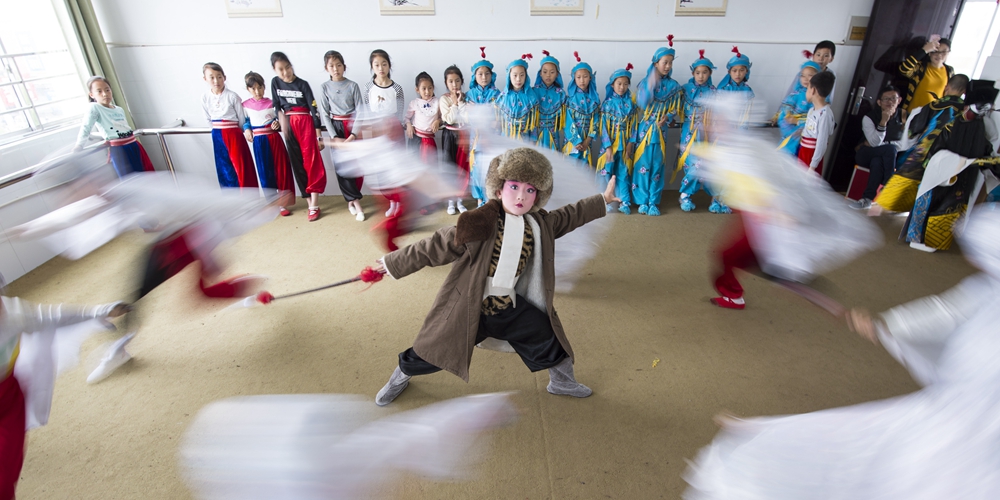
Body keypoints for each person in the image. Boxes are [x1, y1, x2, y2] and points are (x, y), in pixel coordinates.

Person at [684, 206, 1000, 499]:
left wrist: (886, 326)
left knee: (908, 463)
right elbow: (947, 312)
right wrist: (887, 325)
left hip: (971, 417)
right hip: (960, 409)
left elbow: (948, 314)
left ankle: (768, 442)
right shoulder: (986, 291)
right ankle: (769, 437)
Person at [371, 147, 618, 406]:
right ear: (499, 189)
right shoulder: (478, 223)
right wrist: (391, 264)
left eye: (530, 190)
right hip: (470, 307)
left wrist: (602, 200)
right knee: (432, 350)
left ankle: (562, 382)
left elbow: (570, 215)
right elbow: (433, 246)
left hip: (509, 307)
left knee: (550, 338)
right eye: (514, 187)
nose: (521, 196)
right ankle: (401, 376)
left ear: (538, 196)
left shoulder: (540, 224)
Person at [0, 287, 128, 500]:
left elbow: (54, 316)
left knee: (4, 477)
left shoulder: (14, 313)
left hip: (9, 404)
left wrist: (100, 311)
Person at [875, 75, 968, 249]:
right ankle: (926, 237)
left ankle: (912, 233)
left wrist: (907, 146)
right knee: (937, 194)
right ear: (964, 92)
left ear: (947, 87)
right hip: (950, 159)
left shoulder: (933, 106)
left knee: (914, 188)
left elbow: (913, 132)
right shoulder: (967, 112)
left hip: (924, 153)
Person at [270, 52, 326, 221]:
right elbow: (276, 106)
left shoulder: (302, 84)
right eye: (280, 69)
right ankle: (309, 201)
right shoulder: (275, 83)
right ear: (275, 70)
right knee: (297, 164)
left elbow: (314, 109)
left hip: (305, 124)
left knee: (312, 162)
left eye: (288, 67)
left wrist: (318, 135)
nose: (285, 72)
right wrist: (280, 120)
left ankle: (315, 204)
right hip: (289, 126)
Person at [634, 37, 685, 216]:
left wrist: (668, 116)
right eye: (665, 62)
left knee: (657, 166)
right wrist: (651, 84)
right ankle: (641, 201)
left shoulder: (674, 86)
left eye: (670, 63)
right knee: (642, 164)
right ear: (656, 63)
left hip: (661, 131)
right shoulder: (645, 83)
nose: (668, 66)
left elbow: (676, 108)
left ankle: (653, 201)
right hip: (645, 132)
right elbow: (641, 103)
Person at [677, 51, 728, 213]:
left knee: (709, 166)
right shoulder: (684, 90)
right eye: (698, 73)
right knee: (693, 165)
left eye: (705, 72)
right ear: (692, 73)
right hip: (689, 133)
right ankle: (685, 195)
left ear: (710, 73)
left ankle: (716, 197)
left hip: (708, 134)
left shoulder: (714, 92)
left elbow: (720, 113)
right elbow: (674, 107)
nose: (701, 76)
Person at [318, 50, 366, 221]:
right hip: (337, 128)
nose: (336, 69)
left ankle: (351, 200)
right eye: (331, 66)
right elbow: (324, 113)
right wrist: (334, 137)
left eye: (338, 65)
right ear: (326, 68)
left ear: (344, 67)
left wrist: (353, 134)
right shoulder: (324, 87)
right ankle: (357, 204)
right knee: (342, 167)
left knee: (356, 166)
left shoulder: (353, 86)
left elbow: (360, 111)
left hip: (352, 127)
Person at [73, 76, 154, 178]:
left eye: (107, 90)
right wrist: (79, 145)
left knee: (144, 176)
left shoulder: (119, 109)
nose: (105, 94)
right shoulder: (94, 107)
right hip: (119, 149)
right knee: (129, 180)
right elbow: (86, 127)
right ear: (92, 95)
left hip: (134, 144)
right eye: (99, 91)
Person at [242, 71, 295, 216]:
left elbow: (280, 119)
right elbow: (245, 122)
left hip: (274, 140)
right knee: (265, 172)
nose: (257, 91)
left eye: (260, 87)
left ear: (264, 87)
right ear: (248, 89)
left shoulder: (272, 103)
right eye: (253, 88)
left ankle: (283, 204)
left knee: (280, 170)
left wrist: (276, 123)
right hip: (259, 142)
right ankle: (272, 203)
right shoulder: (245, 106)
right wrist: (246, 129)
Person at [363, 49, 407, 218]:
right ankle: (390, 201)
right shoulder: (368, 88)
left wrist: (394, 128)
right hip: (377, 129)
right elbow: (368, 110)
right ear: (372, 67)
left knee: (396, 167)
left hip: (394, 128)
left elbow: (400, 112)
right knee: (382, 169)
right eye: (376, 65)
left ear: (389, 65)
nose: (380, 68)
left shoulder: (397, 88)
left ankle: (398, 201)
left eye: (384, 64)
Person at [202, 63, 257, 189]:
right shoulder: (205, 97)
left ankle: (248, 200)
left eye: (219, 76)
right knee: (224, 168)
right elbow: (208, 119)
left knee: (241, 167)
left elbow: (241, 120)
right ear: (205, 79)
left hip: (233, 133)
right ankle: (232, 200)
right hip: (217, 135)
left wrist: (233, 130)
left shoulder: (232, 96)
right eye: (212, 77)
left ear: (224, 77)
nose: (216, 81)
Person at [849, 86, 903, 210]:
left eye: (893, 99)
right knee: (890, 149)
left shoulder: (904, 117)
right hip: (865, 154)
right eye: (886, 99)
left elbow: (906, 144)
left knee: (878, 161)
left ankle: (867, 199)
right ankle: (888, 185)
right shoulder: (869, 117)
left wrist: (884, 144)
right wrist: (883, 122)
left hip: (883, 157)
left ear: (899, 100)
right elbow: (874, 143)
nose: (890, 102)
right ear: (879, 102)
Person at [596, 65, 638, 214]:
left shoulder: (631, 105)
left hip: (625, 145)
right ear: (612, 84)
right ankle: (603, 201)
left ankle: (624, 201)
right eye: (619, 84)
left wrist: (630, 145)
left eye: (625, 84)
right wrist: (607, 146)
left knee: (623, 172)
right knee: (606, 172)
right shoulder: (607, 105)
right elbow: (603, 128)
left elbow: (634, 126)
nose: (622, 87)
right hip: (610, 146)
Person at [467, 47, 502, 208]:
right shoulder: (470, 94)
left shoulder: (497, 94)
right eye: (480, 73)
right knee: (476, 167)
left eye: (487, 73)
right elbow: (469, 116)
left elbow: (500, 117)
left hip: (492, 138)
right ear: (474, 76)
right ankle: (479, 199)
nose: (484, 77)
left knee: (490, 166)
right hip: (475, 137)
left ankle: (490, 197)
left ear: (492, 75)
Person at [439, 65, 471, 215]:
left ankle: (460, 200)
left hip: (463, 135)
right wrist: (455, 104)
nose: (454, 85)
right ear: (446, 83)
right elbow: (450, 119)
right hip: (449, 136)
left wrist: (460, 102)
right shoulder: (444, 99)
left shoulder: (466, 97)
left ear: (462, 82)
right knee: (450, 167)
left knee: (462, 168)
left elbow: (466, 118)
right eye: (451, 81)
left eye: (457, 81)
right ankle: (450, 201)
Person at [561, 51, 601, 167]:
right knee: (570, 168)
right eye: (578, 77)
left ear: (590, 78)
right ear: (574, 79)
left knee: (585, 170)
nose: (582, 80)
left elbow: (596, 122)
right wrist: (576, 141)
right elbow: (568, 122)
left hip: (587, 141)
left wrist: (587, 140)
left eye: (585, 77)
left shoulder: (595, 100)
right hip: (571, 141)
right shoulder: (570, 99)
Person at [776, 60, 821, 156]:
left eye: (810, 75)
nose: (806, 79)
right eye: (802, 75)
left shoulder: (818, 98)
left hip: (806, 142)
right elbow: (784, 115)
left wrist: (797, 122)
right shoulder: (794, 95)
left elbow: (817, 121)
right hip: (789, 137)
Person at [900, 36, 955, 115]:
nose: (939, 55)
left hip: (932, 117)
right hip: (912, 113)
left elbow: (950, 95)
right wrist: (924, 50)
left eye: (943, 52)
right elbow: (904, 69)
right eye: (935, 51)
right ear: (930, 53)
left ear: (948, 53)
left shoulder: (950, 71)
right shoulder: (921, 67)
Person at [797, 71, 836, 175]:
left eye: (808, 88)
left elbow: (821, 143)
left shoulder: (825, 114)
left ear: (813, 90)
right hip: (803, 152)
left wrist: (812, 167)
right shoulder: (812, 110)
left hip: (811, 156)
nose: (806, 91)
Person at [495, 54, 539, 140]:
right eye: (515, 75)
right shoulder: (502, 98)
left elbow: (534, 125)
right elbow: (498, 124)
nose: (518, 79)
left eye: (522, 75)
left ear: (526, 76)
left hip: (525, 141)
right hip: (506, 140)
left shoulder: (531, 97)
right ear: (509, 76)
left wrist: (533, 141)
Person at [404, 72, 441, 165]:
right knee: (416, 166)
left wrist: (438, 121)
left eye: (430, 88)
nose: (427, 92)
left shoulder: (437, 102)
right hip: (416, 140)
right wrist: (408, 125)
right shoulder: (414, 103)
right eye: (424, 88)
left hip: (429, 140)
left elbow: (443, 118)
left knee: (431, 167)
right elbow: (406, 118)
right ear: (417, 90)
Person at [532, 50, 566, 150]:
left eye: (552, 72)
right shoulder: (533, 92)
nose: (548, 75)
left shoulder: (561, 94)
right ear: (540, 73)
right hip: (536, 134)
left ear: (557, 74)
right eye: (545, 72)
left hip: (554, 135)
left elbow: (566, 120)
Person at [716, 46, 754, 127]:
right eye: (734, 70)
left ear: (746, 71)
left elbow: (747, 113)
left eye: (741, 70)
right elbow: (718, 112)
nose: (738, 74)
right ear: (729, 72)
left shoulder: (748, 91)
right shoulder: (723, 89)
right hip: (724, 127)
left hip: (742, 127)